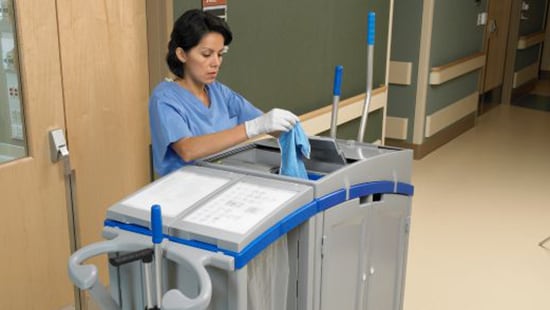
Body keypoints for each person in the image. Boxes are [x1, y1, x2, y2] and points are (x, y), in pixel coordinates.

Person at [149, 9, 299, 176]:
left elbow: (262, 121)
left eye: (220, 54)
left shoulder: (219, 92)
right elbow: (187, 149)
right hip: (183, 192)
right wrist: (252, 128)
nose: (216, 63)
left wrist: (291, 130)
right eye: (206, 54)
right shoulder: (164, 99)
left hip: (220, 184)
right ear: (182, 54)